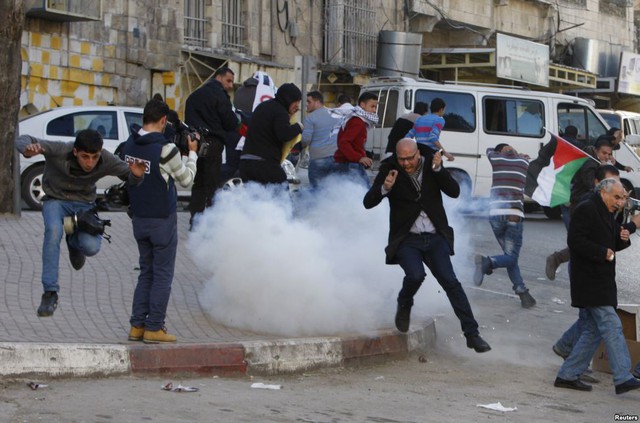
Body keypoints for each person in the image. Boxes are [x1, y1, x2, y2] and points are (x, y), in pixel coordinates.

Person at [363, 138, 491, 353]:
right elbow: (368, 202)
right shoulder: (389, 168)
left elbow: (454, 191)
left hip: (434, 237)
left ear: (417, 154)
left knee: (452, 283)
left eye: (409, 159)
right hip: (407, 239)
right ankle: (404, 303)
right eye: (401, 159)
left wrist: (440, 170)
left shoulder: (433, 163)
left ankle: (472, 334)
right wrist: (385, 188)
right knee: (415, 275)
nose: (405, 164)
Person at [15, 130, 145, 317]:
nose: (90, 163)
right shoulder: (60, 150)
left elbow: (131, 177)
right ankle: (50, 292)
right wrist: (28, 149)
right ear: (75, 152)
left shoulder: (106, 159)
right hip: (56, 200)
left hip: (83, 206)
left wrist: (138, 176)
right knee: (53, 231)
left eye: (94, 157)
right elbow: (23, 139)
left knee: (91, 247)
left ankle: (73, 242)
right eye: (85, 157)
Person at [554, 179, 640, 395]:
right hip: (589, 280)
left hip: (601, 280)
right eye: (617, 197)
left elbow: (611, 239)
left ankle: (568, 375)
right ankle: (623, 378)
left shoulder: (605, 210)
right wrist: (603, 252)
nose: (620, 203)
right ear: (603, 192)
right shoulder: (587, 208)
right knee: (612, 325)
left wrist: (622, 238)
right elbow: (576, 241)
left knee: (593, 331)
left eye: (623, 198)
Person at [122, 99, 198, 344]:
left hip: (139, 218)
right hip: (162, 220)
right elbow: (186, 180)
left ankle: (137, 325)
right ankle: (154, 327)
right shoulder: (166, 150)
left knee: (146, 272)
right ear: (164, 121)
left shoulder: (129, 144)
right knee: (162, 275)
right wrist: (193, 155)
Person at [473, 144, 536, 308]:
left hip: (495, 215)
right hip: (513, 214)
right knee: (511, 257)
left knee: (509, 256)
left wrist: (502, 151)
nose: (511, 149)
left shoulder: (495, 158)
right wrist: (517, 153)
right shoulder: (523, 161)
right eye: (509, 147)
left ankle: (522, 292)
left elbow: (489, 149)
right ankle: (487, 262)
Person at [545, 139, 613, 280]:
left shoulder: (594, 162)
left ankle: (570, 270)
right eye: (604, 153)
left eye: (609, 153)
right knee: (581, 243)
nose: (607, 156)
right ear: (597, 150)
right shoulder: (591, 163)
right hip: (580, 206)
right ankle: (558, 260)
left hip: (582, 205)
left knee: (585, 242)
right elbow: (591, 186)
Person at [185, 66, 238, 225]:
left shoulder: (195, 95)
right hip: (213, 144)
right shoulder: (220, 96)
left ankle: (195, 221)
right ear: (219, 77)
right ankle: (209, 224)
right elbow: (230, 122)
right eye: (228, 81)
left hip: (195, 144)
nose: (230, 85)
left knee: (198, 184)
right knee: (212, 185)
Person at [239, 82, 303, 185]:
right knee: (281, 194)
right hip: (264, 164)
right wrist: (298, 127)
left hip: (246, 163)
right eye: (296, 101)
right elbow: (284, 134)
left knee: (254, 199)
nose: (297, 106)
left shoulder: (263, 106)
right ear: (288, 99)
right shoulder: (280, 111)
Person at [333, 92, 379, 187]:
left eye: (375, 107)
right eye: (372, 106)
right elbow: (344, 142)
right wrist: (359, 158)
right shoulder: (358, 122)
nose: (374, 110)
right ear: (362, 105)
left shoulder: (355, 119)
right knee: (364, 193)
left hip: (347, 163)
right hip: (350, 164)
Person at [301, 91, 340, 188]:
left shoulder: (310, 118)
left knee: (316, 191)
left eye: (309, 102)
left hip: (318, 158)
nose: (306, 104)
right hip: (336, 158)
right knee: (333, 190)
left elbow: (306, 139)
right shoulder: (335, 114)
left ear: (317, 101)